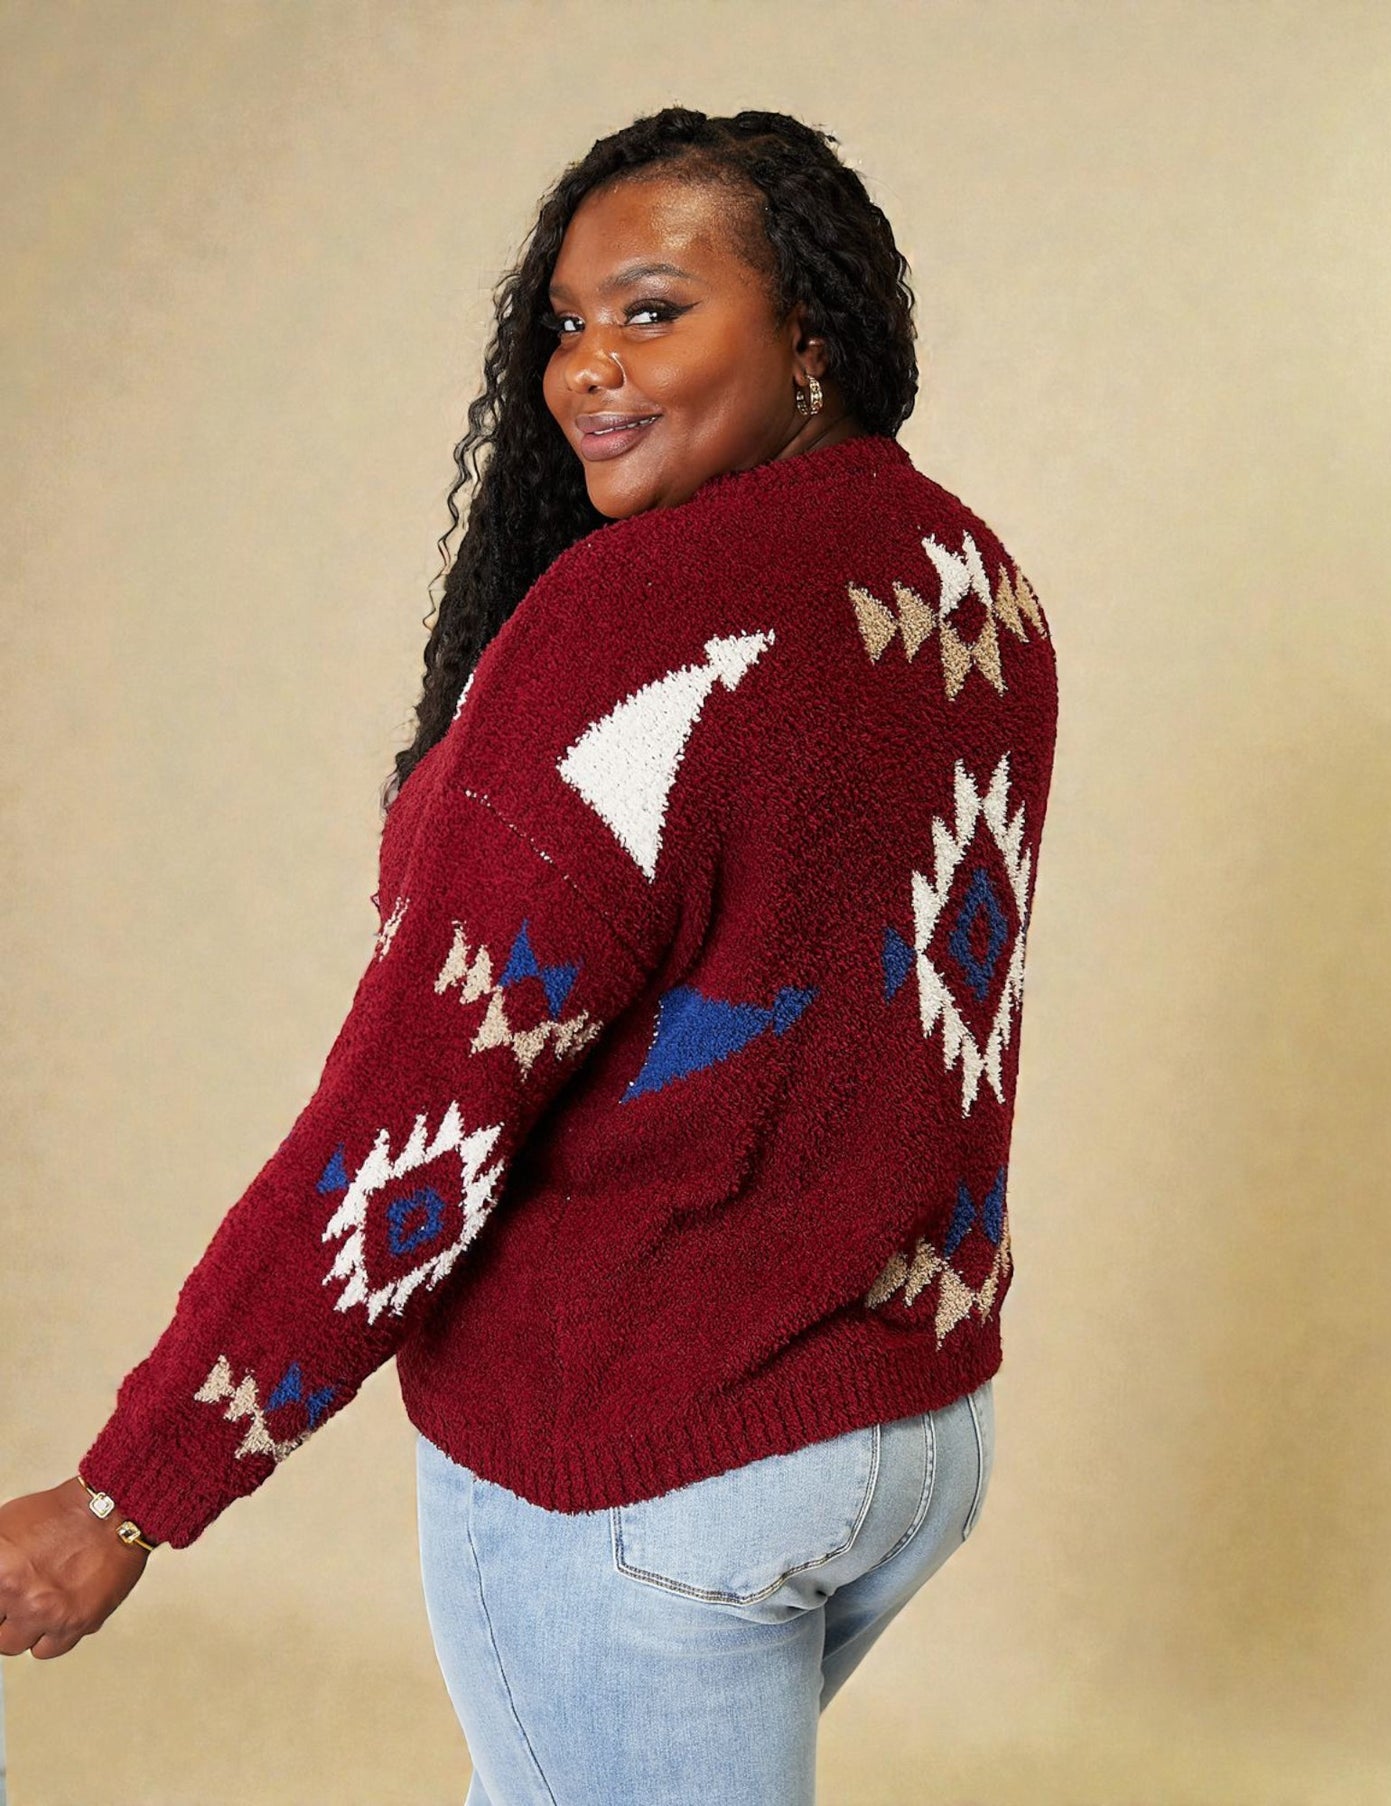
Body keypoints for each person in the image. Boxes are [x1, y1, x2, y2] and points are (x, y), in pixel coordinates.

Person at [0, 107, 1058, 1804]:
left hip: (653, 1469)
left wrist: (133, 1490)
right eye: (567, 324)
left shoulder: (632, 623)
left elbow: (414, 1118)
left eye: (652, 309)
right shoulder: (970, 583)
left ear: (808, 332)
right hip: (902, 1427)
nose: (587, 369)